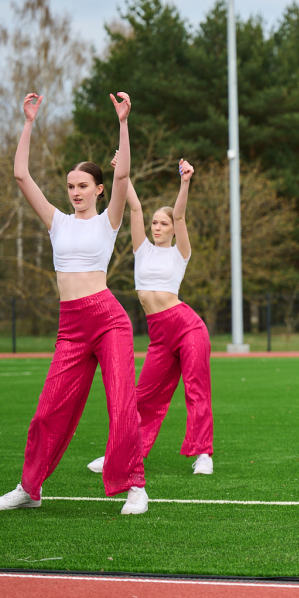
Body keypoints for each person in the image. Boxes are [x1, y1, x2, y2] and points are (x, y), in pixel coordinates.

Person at [0, 92, 149, 514]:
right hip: (71, 326)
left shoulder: (108, 220)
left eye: (83, 186)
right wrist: (28, 122)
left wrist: (124, 123)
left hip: (108, 319)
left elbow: (123, 176)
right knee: (47, 413)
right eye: (70, 187)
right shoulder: (56, 221)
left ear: (98, 189)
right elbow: (22, 176)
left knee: (121, 405)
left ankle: (135, 486)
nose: (75, 192)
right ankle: (29, 488)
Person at [87, 158, 213, 477]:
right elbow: (134, 207)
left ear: (173, 229)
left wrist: (184, 182)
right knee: (142, 399)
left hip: (187, 328)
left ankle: (203, 454)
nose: (157, 226)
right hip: (160, 336)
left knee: (196, 391)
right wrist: (121, 172)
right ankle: (120, 455)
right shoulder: (141, 250)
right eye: (155, 222)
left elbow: (181, 213)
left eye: (163, 223)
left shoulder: (179, 253)